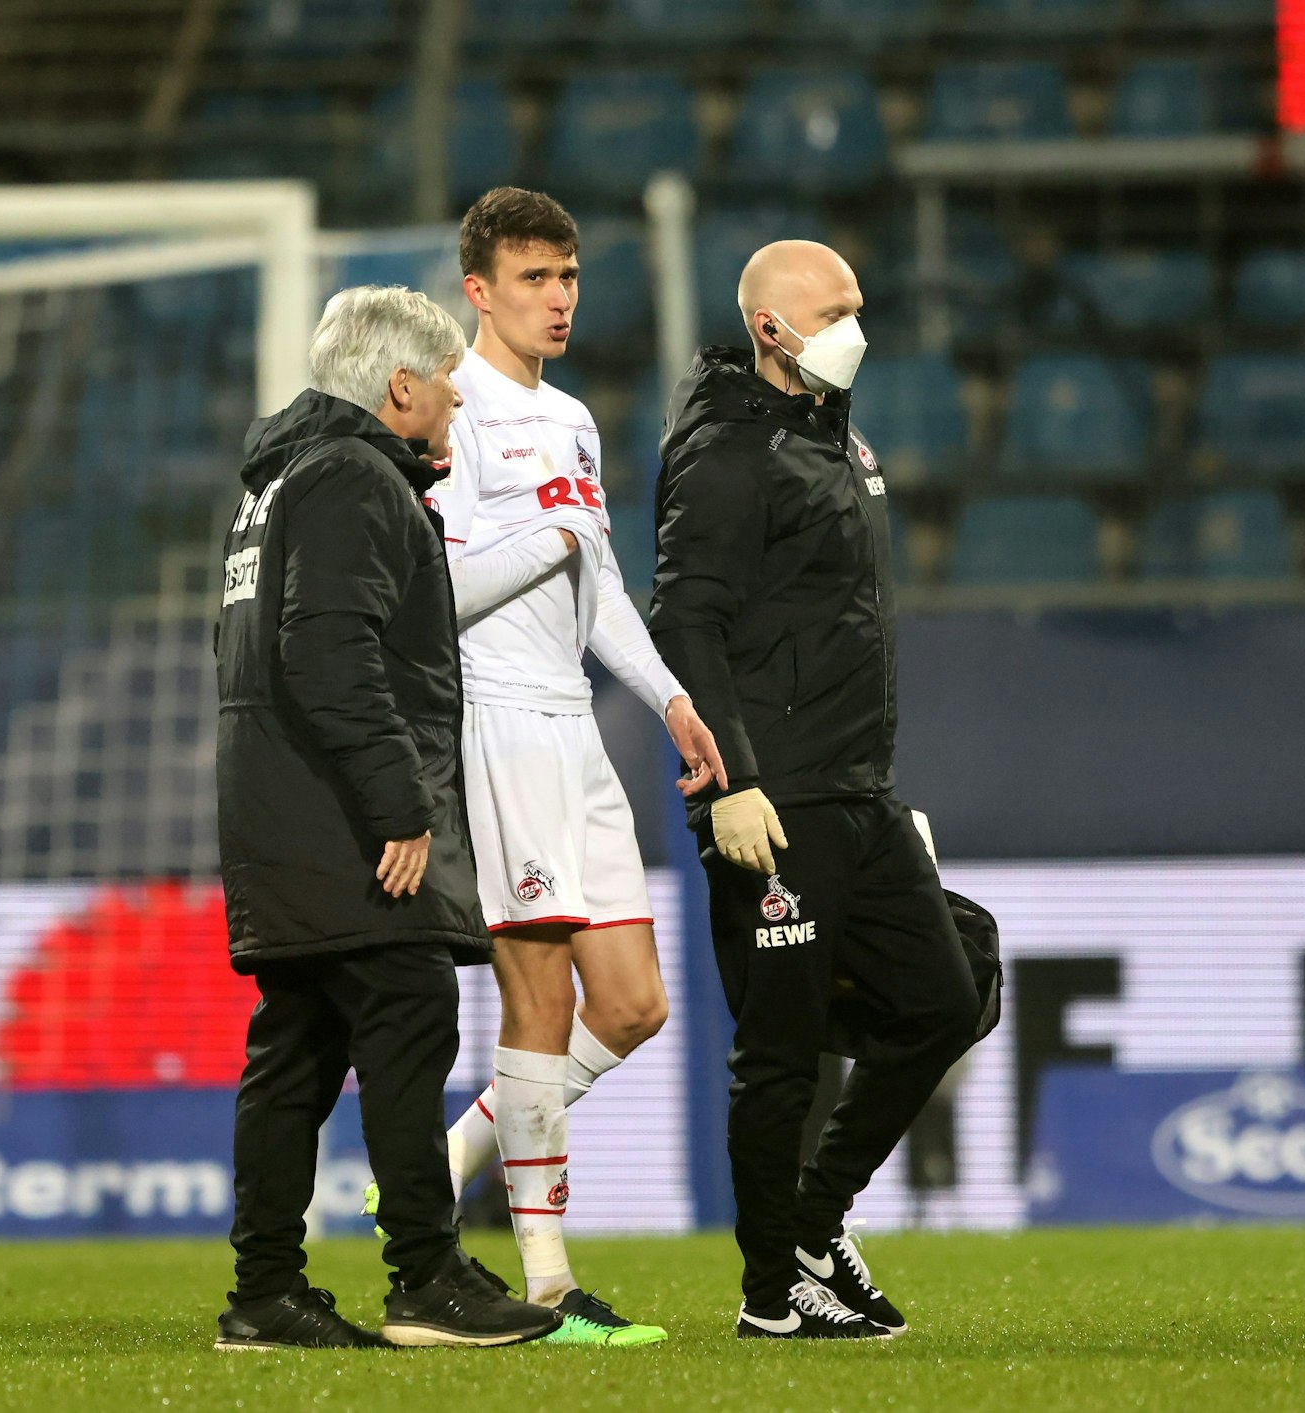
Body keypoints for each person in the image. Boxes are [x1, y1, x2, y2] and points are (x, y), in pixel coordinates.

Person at [213, 284, 561, 1351]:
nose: (457, 398)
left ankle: (265, 1295)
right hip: (342, 818)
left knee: (298, 1050)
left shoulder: (278, 484)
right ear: (399, 387)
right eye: (445, 383)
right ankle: (424, 1279)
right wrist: (397, 802)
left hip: (278, 811)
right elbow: (329, 654)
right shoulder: (350, 478)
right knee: (406, 1019)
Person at [648, 241, 984, 1340]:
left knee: (947, 991)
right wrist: (729, 782)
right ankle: (767, 1296)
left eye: (856, 302)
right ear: (769, 331)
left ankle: (808, 1220)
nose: (856, 325)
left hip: (854, 788)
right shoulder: (727, 452)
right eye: (832, 309)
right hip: (771, 796)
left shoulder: (831, 436)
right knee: (779, 1056)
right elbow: (684, 620)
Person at [424, 187, 727, 1347]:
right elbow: (438, 596)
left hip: (576, 724)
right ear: (479, 289)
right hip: (495, 719)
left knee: (635, 1004)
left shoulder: (574, 421)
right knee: (541, 999)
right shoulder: (450, 411)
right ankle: (545, 1284)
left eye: (568, 278)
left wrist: (666, 699)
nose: (558, 300)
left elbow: (596, 586)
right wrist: (545, 534)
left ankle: (453, 1152)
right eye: (534, 279)